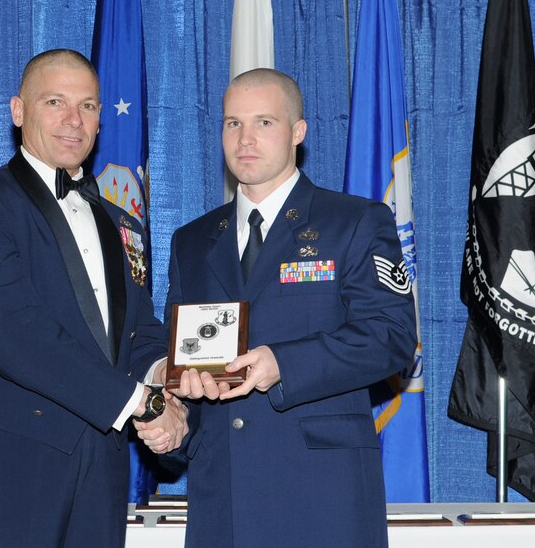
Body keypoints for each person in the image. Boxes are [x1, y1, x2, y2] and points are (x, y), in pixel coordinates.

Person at [0, 49, 187, 548]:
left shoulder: (123, 223)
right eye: (55, 102)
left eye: (88, 106)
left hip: (105, 458)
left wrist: (165, 376)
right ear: (19, 111)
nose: (74, 121)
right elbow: (17, 334)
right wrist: (142, 401)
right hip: (14, 463)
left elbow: (137, 332)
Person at [165, 68, 417, 547]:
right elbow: (183, 356)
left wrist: (284, 363)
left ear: (297, 132)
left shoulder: (355, 222)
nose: (245, 139)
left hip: (320, 495)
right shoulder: (192, 241)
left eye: (264, 122)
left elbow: (392, 336)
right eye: (232, 123)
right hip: (222, 495)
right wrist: (175, 417)